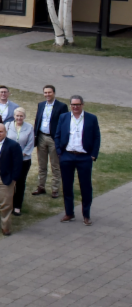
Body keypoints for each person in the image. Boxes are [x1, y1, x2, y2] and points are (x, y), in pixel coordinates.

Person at [55, 95, 101, 225]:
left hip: (84, 157)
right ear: (70, 105)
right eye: (73, 105)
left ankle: (86, 215)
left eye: (78, 105)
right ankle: (69, 213)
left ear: (82, 105)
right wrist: (59, 152)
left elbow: (97, 137)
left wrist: (93, 155)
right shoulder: (64, 117)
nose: (75, 107)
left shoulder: (91, 118)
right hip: (67, 156)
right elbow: (57, 135)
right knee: (67, 186)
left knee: (85, 187)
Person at [32, 84, 67, 199]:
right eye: (45, 92)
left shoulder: (61, 106)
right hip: (41, 137)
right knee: (42, 164)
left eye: (49, 92)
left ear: (54, 93)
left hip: (53, 138)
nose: (47, 94)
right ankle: (41, 186)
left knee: (55, 165)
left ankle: (55, 189)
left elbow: (65, 124)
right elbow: (37, 120)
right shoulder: (41, 105)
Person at [6, 108, 34, 216]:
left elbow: (30, 143)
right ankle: (9, 204)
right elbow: (4, 140)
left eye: (21, 116)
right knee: (9, 182)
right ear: (14, 116)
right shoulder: (8, 126)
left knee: (20, 183)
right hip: (10, 160)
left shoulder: (29, 127)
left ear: (24, 117)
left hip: (24, 160)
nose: (19, 118)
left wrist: (20, 154)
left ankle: (17, 206)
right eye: (17, 116)